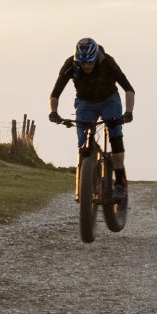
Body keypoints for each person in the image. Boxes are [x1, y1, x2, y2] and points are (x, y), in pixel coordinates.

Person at [47, 37, 134, 198]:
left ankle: (120, 182)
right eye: (83, 63)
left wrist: (128, 112)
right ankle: (90, 179)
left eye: (90, 62)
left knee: (115, 134)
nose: (86, 66)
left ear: (96, 58)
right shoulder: (70, 65)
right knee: (83, 141)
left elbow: (129, 89)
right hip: (85, 102)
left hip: (109, 100)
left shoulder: (107, 62)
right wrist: (53, 112)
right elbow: (55, 94)